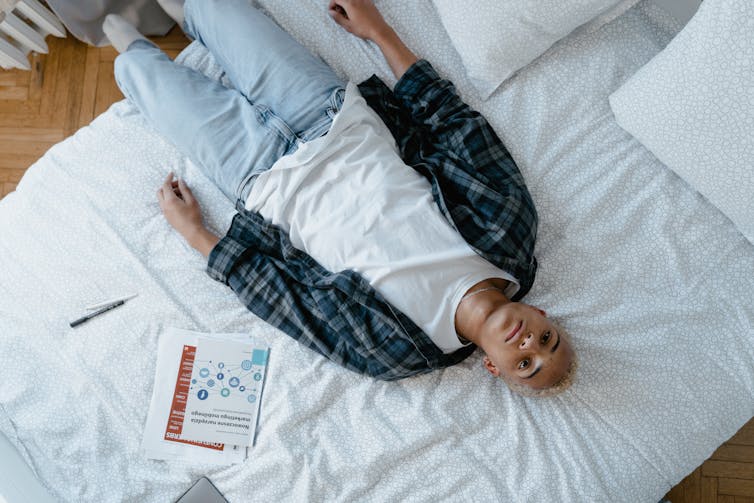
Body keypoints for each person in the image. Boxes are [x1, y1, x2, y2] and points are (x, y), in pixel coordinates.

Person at [104, 0, 577, 397]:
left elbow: (292, 306)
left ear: (493, 367)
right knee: (214, 7)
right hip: (330, 114)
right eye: (548, 340)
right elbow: (456, 124)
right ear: (541, 314)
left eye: (526, 365)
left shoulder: (399, 354)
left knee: (138, 71)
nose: (529, 345)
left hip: (260, 177)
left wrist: (197, 235)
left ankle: (111, 23)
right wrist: (379, 32)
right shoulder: (509, 231)